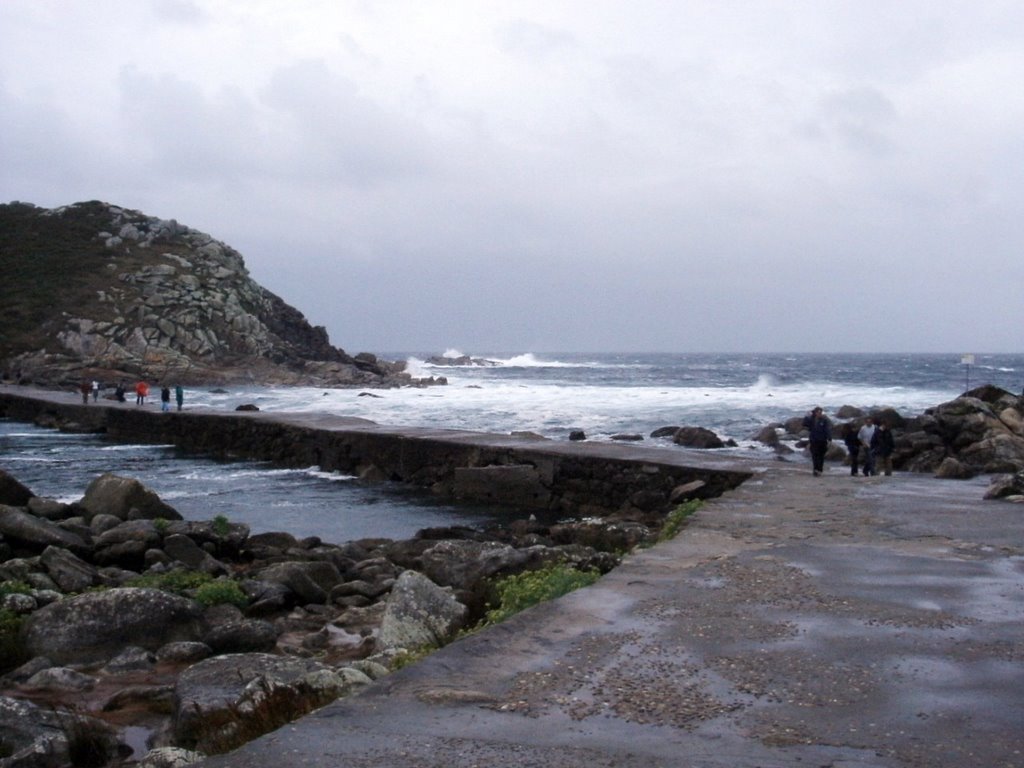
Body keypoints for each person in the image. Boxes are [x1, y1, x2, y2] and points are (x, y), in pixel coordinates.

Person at [803, 406, 832, 476]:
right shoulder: (811, 420)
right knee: (814, 455)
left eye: (820, 412)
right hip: (814, 440)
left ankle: (819, 469)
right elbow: (804, 424)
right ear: (815, 413)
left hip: (822, 440)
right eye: (818, 412)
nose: (819, 414)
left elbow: (827, 429)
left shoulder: (824, 420)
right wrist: (807, 416)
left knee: (821, 456)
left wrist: (829, 438)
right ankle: (815, 469)